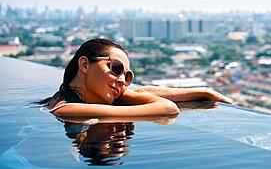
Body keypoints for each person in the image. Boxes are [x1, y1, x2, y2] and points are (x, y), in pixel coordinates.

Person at [42, 38, 233, 117]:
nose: (122, 81)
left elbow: (142, 92)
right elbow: (167, 108)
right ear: (84, 65)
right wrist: (124, 94)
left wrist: (205, 92)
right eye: (116, 68)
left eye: (128, 76)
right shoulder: (67, 109)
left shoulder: (72, 102)